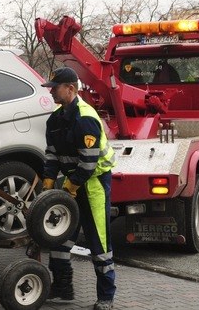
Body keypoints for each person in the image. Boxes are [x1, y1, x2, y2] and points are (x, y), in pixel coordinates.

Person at [41, 67, 117, 310]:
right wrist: (48, 183)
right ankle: (63, 291)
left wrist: (70, 187)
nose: (51, 91)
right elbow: (52, 155)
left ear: (71, 88)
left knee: (99, 245)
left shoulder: (85, 118)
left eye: (55, 87)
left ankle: (106, 297)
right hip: (70, 185)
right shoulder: (55, 119)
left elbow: (89, 162)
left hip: (93, 185)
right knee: (59, 239)